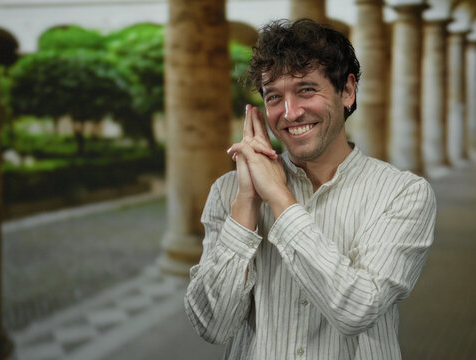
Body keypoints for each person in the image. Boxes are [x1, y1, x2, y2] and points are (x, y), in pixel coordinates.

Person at [185, 18, 436, 360]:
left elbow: (357, 310)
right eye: (274, 97)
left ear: (347, 91)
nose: (290, 113)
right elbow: (214, 326)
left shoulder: (403, 193)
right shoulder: (230, 192)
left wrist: (279, 199)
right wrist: (247, 202)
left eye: (306, 90)